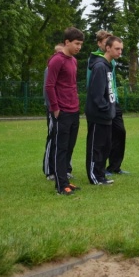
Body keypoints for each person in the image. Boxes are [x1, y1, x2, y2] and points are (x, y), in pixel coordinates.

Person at [45, 27, 84, 196]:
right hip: (62, 112)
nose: (79, 47)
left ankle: (65, 180)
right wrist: (55, 108)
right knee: (60, 148)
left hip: (74, 110)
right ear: (67, 42)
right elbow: (49, 86)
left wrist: (76, 104)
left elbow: (71, 85)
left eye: (81, 44)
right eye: (76, 43)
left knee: (69, 147)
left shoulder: (73, 61)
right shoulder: (57, 60)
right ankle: (60, 185)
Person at [87, 30, 128, 176]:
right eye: (106, 43)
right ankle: (99, 169)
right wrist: (103, 105)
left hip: (113, 101)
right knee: (103, 138)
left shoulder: (111, 62)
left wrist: (114, 99)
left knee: (120, 132)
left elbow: (111, 82)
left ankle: (114, 166)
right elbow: (93, 87)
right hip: (102, 105)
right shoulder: (97, 63)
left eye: (120, 49)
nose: (119, 51)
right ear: (101, 44)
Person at [43, 43, 64, 181]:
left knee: (64, 140)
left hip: (64, 108)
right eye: (58, 52)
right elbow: (47, 88)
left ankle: (64, 169)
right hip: (53, 109)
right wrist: (53, 107)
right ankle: (49, 170)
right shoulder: (50, 68)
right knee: (53, 137)